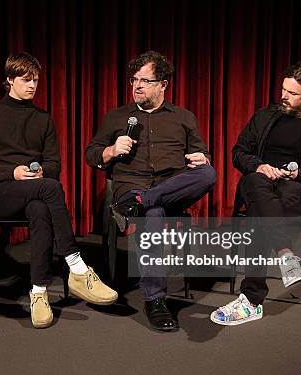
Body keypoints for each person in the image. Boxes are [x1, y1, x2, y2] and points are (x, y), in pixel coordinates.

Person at [0, 52, 118, 329]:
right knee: (51, 189)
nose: (32, 85)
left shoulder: (43, 118)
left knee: (41, 208)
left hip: (37, 191)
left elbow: (54, 164)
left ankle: (39, 293)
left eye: (36, 80)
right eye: (26, 80)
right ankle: (77, 267)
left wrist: (41, 173)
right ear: (9, 80)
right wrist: (12, 172)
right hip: (2, 193)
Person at [85, 51, 216, 331]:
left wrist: (200, 157)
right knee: (153, 213)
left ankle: (140, 202)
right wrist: (110, 150)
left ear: (163, 85)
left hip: (169, 188)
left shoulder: (183, 117)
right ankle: (155, 299)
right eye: (134, 80)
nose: (137, 86)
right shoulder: (118, 117)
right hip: (130, 185)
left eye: (145, 80)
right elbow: (91, 153)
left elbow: (201, 153)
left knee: (208, 173)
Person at [210, 60, 301, 326]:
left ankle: (251, 301)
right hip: (262, 186)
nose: (284, 96)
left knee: (257, 218)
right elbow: (239, 153)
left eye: (293, 93)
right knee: (253, 182)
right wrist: (260, 165)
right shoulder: (265, 116)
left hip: (300, 191)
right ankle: (286, 255)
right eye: (283, 89)